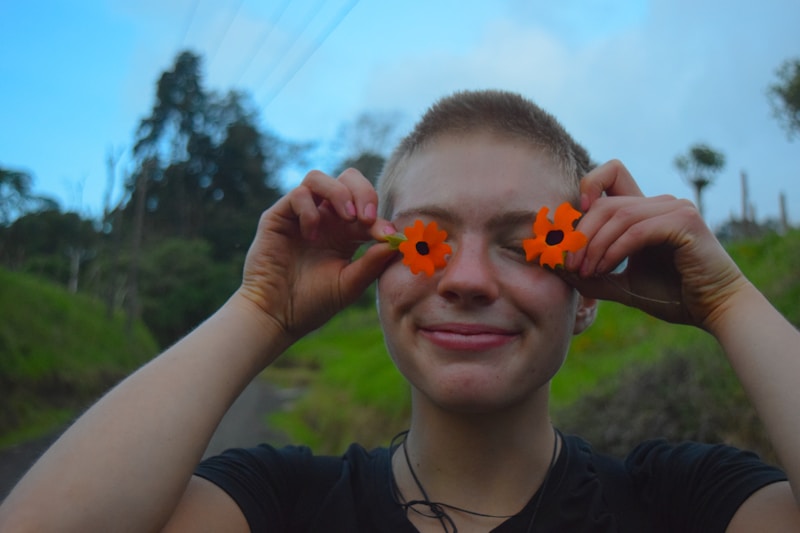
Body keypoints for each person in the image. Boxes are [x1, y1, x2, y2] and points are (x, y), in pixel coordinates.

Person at [1, 90, 799, 532]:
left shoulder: (685, 505)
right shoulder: (279, 504)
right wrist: (261, 309)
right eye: (425, 242)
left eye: (526, 244)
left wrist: (730, 301)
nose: (468, 278)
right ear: (379, 271)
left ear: (585, 289)